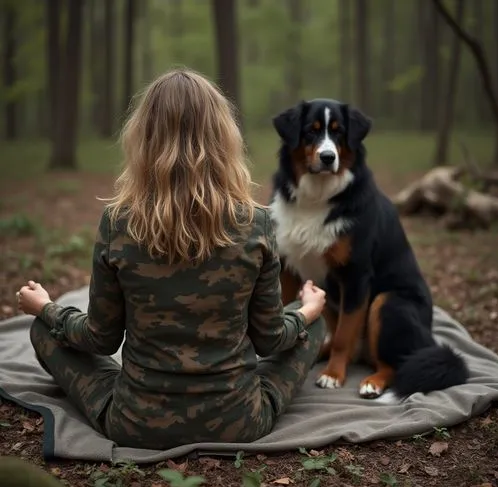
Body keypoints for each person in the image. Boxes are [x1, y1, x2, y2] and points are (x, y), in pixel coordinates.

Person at [16, 68, 327, 450]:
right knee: (312, 325)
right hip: (241, 421)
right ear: (224, 139)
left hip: (134, 423)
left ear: (143, 138)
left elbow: (99, 339)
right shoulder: (256, 223)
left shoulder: (118, 223)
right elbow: (271, 339)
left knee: (43, 330)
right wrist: (308, 310)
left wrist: (47, 309)